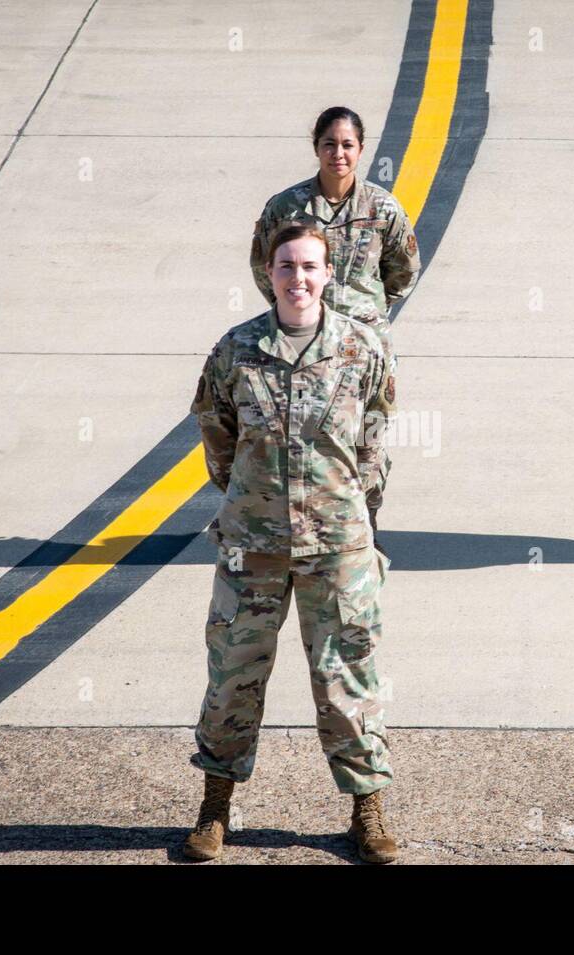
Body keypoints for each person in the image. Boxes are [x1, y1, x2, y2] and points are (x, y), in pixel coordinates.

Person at [186, 225, 398, 863]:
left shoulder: (361, 349)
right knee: (232, 676)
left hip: (338, 546)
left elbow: (375, 442)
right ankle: (215, 809)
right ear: (269, 273)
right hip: (251, 548)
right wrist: (255, 504)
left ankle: (367, 811)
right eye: (286, 266)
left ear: (328, 273)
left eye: (310, 266)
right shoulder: (236, 350)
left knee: (347, 678)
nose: (298, 278)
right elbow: (217, 439)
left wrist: (348, 512)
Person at [250, 107, 420, 543]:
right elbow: (264, 265)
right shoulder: (287, 208)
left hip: (365, 349)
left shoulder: (382, 207)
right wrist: (298, 312)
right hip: (306, 346)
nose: (338, 154)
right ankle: (310, 528)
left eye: (347, 145)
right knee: (309, 435)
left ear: (361, 149)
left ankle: (366, 523)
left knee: (368, 437)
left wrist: (366, 314)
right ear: (316, 148)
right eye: (329, 144)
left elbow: (403, 270)